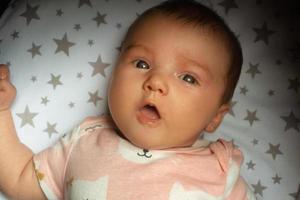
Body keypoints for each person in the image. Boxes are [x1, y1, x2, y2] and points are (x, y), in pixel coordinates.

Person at [0, 0, 256, 199]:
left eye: (188, 78)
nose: (156, 81)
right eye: (142, 63)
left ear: (215, 117)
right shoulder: (87, 141)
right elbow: (20, 179)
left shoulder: (219, 171)